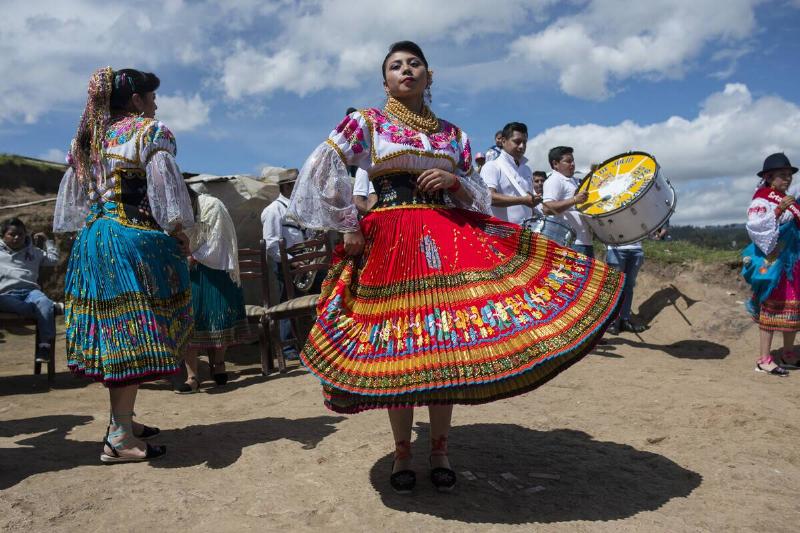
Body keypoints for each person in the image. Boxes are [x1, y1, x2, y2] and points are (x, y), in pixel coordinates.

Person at [286, 40, 624, 494]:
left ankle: (440, 447)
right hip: (390, 239)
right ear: (384, 80)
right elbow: (321, 169)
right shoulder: (366, 122)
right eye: (395, 66)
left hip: (447, 235)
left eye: (414, 64)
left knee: (445, 342)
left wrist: (452, 181)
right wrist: (349, 222)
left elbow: (478, 193)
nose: (405, 70)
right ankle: (403, 450)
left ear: (429, 75)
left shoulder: (452, 135)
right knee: (401, 347)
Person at [53, 67, 195, 462]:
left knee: (116, 333)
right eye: (151, 96)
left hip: (94, 238)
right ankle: (119, 438)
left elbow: (75, 204)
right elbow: (165, 190)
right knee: (131, 334)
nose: (155, 104)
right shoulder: (148, 132)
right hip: (129, 240)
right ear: (135, 100)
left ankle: (124, 422)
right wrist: (179, 232)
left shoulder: (87, 140)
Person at [176, 188, 255, 393]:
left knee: (218, 317)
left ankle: (218, 364)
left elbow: (218, 241)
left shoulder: (213, 207)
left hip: (217, 269)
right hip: (189, 271)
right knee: (189, 321)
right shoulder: (177, 211)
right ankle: (192, 376)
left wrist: (193, 255)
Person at [742, 152, 800, 376]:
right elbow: (755, 227)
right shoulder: (762, 200)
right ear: (768, 177)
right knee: (771, 307)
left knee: (793, 308)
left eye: (789, 175)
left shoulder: (791, 200)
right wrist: (779, 210)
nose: (787, 179)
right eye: (782, 175)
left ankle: (787, 353)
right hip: (773, 264)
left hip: (792, 263)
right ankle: (764, 359)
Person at [260, 170, 307, 358]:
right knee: (287, 303)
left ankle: (306, 343)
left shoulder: (299, 208)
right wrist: (293, 262)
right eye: (295, 185)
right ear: (286, 186)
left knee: (303, 304)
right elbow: (271, 245)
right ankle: (288, 348)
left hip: (304, 261)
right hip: (287, 264)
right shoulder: (274, 210)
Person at [0, 217, 59, 362]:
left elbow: (54, 260)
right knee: (44, 307)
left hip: (30, 293)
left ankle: (44, 346)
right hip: (6, 295)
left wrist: (48, 241)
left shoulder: (35, 252)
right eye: (12, 234)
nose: (17, 237)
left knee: (44, 302)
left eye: (20, 234)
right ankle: (45, 309)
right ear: (3, 236)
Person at [479, 122, 540, 226]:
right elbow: (488, 197)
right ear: (503, 141)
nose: (522, 146)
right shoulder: (492, 166)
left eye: (525, 142)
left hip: (525, 235)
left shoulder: (527, 170)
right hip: (499, 235)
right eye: (517, 142)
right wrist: (522, 200)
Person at [542, 146, 594, 257]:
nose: (573, 164)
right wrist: (574, 200)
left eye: (573, 161)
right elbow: (547, 208)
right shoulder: (554, 180)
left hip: (585, 242)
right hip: (571, 244)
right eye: (568, 161)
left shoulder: (575, 181)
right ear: (555, 164)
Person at [605, 240, 646, 334]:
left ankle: (624, 320)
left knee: (629, 286)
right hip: (616, 248)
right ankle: (610, 322)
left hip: (636, 249)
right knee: (614, 287)